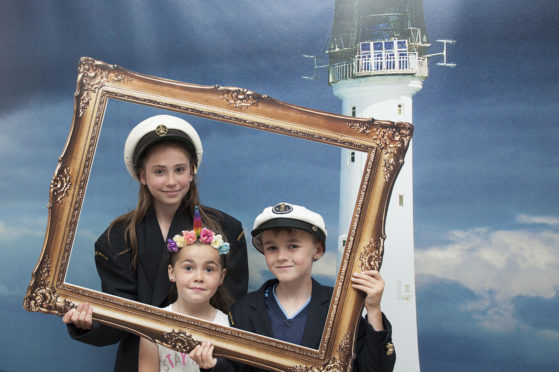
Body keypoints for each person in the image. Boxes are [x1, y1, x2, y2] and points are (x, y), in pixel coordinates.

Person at [63, 114, 248, 371]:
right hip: (139, 360)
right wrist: (86, 324)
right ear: (142, 175)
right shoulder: (115, 238)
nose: (171, 181)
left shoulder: (227, 229)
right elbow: (120, 318)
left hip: (210, 361)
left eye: (180, 169)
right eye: (159, 171)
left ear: (193, 170)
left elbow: (235, 311)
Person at [226, 202, 395, 372]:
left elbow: (374, 368)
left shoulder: (343, 307)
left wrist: (373, 309)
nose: (281, 256)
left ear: (318, 250)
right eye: (272, 248)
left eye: (293, 246)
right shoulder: (242, 309)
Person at [139, 208, 233, 371]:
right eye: (188, 268)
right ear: (171, 272)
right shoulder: (153, 326)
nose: (199, 277)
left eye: (209, 269)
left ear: (221, 277)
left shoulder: (230, 329)